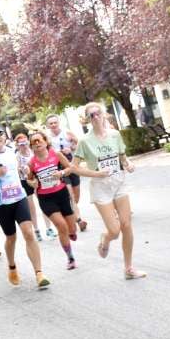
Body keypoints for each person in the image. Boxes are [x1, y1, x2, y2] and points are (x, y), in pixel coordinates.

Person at [73, 103, 146, 280]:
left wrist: (129, 165)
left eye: (98, 113)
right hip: (100, 187)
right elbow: (74, 168)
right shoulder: (84, 141)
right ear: (88, 120)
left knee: (126, 224)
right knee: (114, 231)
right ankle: (105, 239)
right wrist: (96, 173)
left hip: (119, 183)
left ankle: (128, 268)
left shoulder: (114, 135)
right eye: (91, 115)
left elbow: (122, 157)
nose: (96, 117)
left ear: (104, 114)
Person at [0, 125, 49, 288]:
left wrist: (27, 175)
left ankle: (39, 273)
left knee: (29, 233)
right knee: (11, 238)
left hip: (19, 197)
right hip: (1, 203)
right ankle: (12, 265)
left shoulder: (12, 153)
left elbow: (23, 173)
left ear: (4, 136)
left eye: (0, 133)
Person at [24, 131, 78, 270]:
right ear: (31, 147)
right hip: (46, 198)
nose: (37, 143)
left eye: (39, 140)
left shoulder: (56, 154)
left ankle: (71, 232)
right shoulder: (31, 163)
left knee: (71, 228)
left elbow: (70, 168)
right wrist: (33, 183)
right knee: (62, 226)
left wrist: (61, 173)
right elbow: (29, 180)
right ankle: (70, 258)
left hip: (61, 193)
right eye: (34, 142)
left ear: (45, 141)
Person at [45, 114, 87, 231]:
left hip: (72, 166)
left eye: (55, 122)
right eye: (51, 123)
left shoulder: (67, 133)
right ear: (48, 125)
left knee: (76, 196)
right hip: (60, 169)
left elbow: (78, 144)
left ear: (58, 123)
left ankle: (71, 213)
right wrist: (56, 153)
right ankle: (79, 220)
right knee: (71, 195)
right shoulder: (47, 139)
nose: (53, 125)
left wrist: (72, 148)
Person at [12, 128, 49, 240]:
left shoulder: (33, 152)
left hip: (37, 179)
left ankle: (49, 228)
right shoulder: (17, 155)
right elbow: (17, 169)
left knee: (43, 203)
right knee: (31, 207)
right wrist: (21, 169)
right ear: (17, 145)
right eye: (21, 143)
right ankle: (36, 230)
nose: (24, 145)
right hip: (25, 181)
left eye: (25, 142)